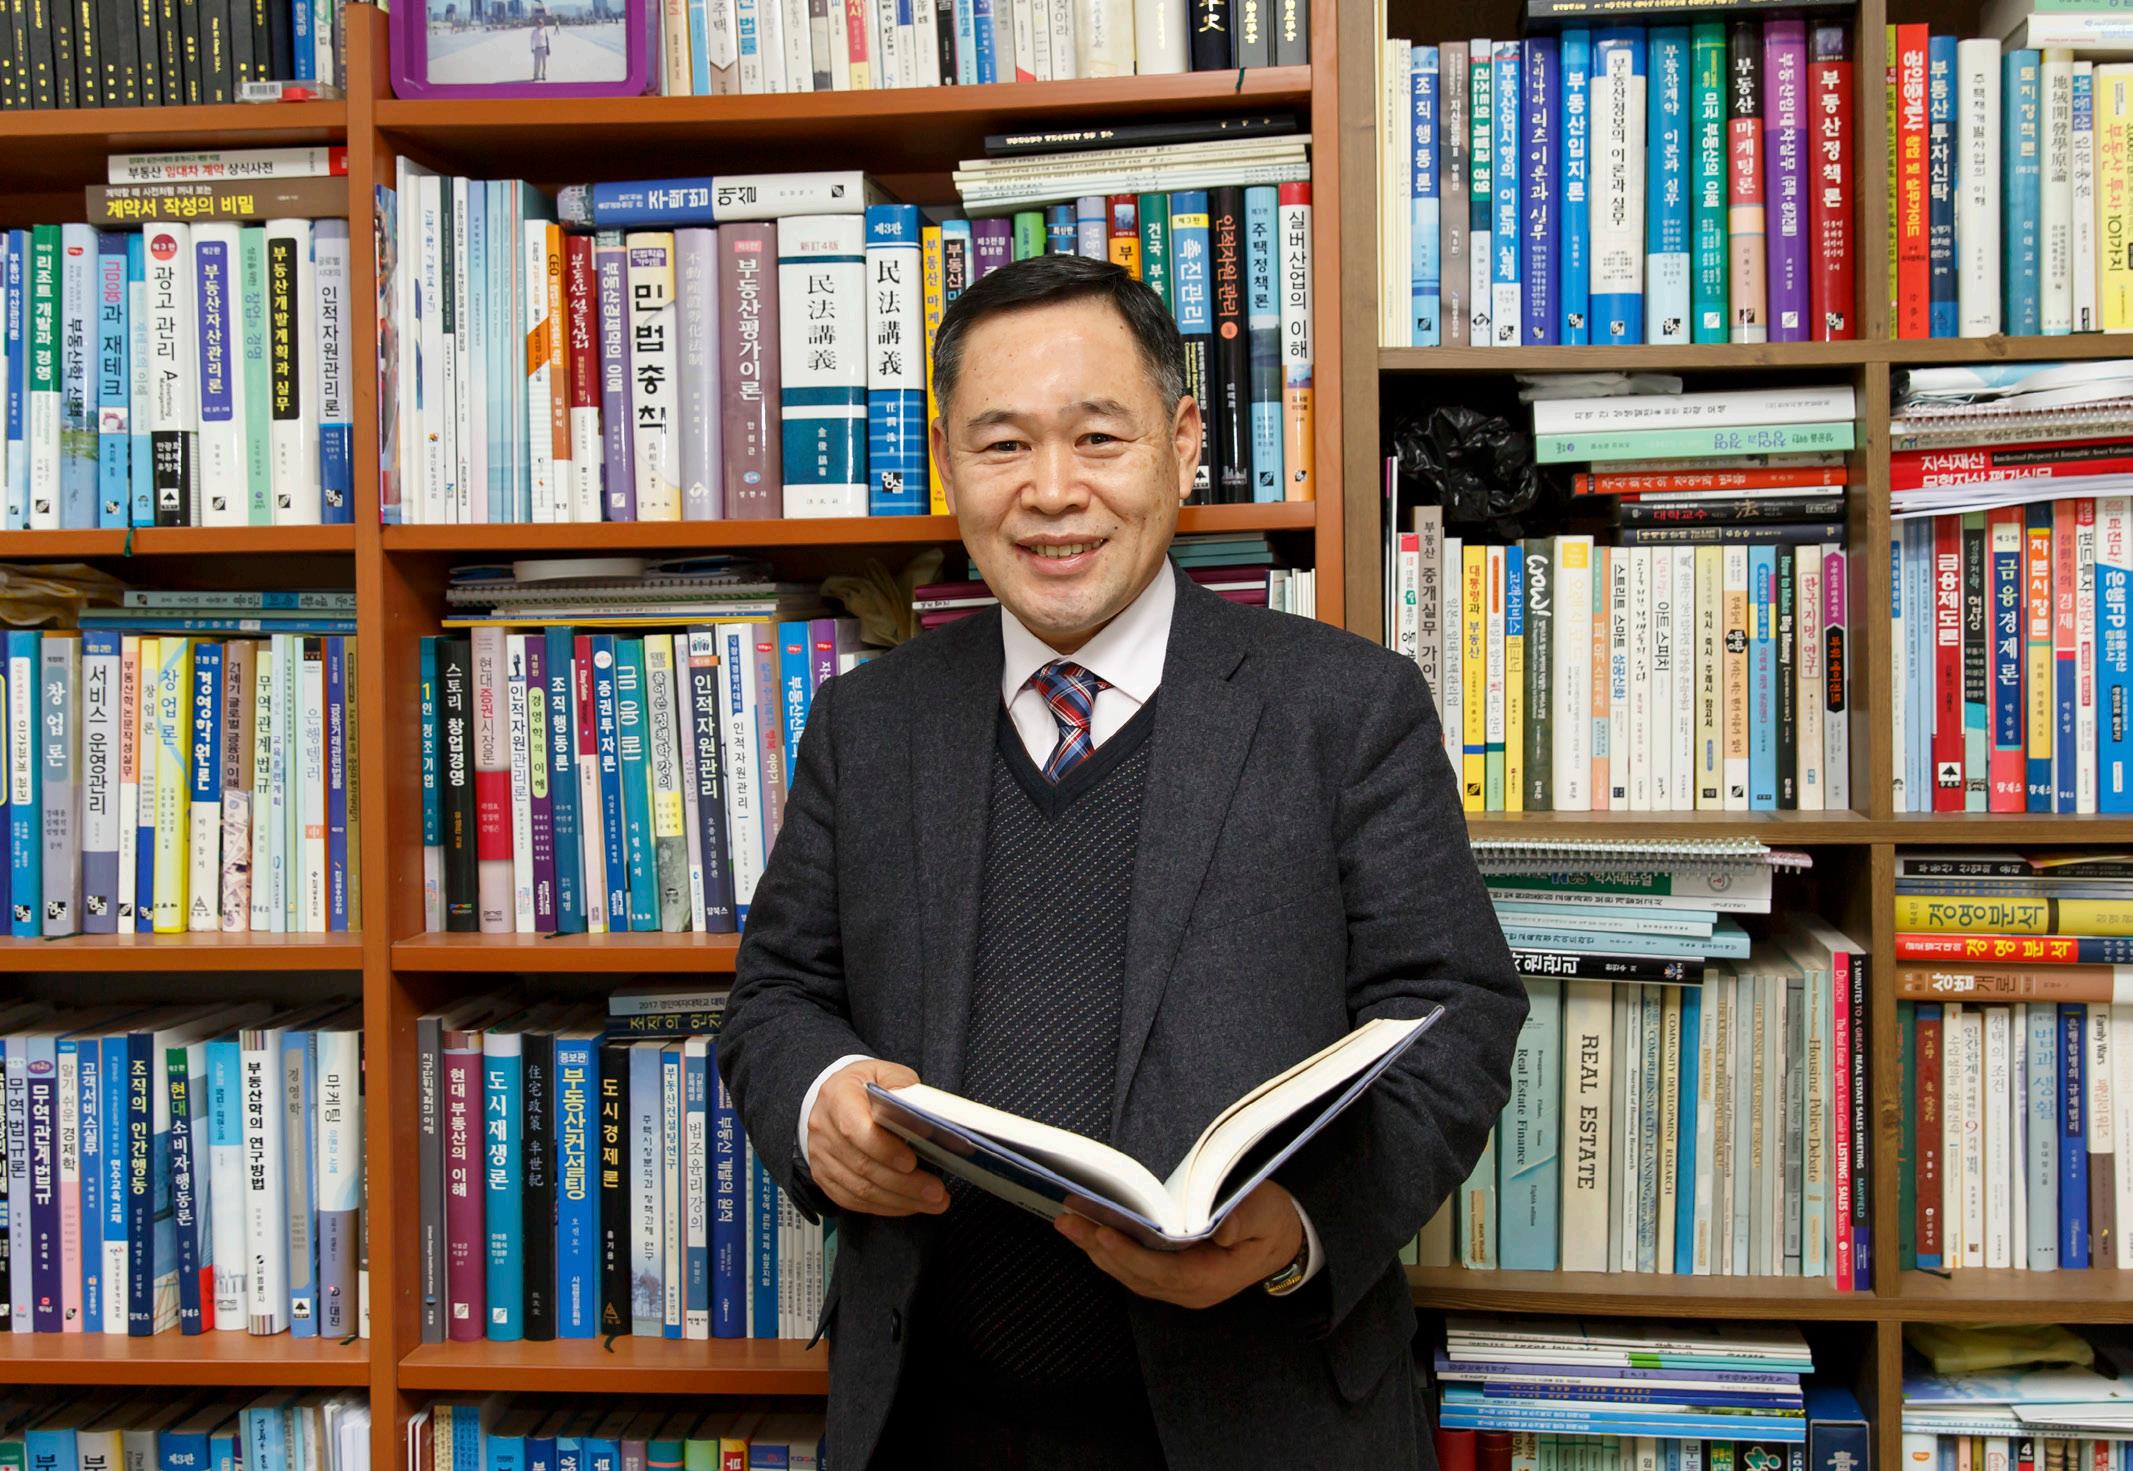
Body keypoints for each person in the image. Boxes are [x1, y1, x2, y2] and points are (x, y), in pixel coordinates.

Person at [717, 254, 1527, 1470]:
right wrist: (817, 1097)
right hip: (930, 1425)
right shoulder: (868, 724)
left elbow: (1456, 1016)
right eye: (1003, 446)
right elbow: (776, 994)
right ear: (947, 463)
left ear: (1184, 445)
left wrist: (1298, 1226)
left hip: (1259, 1414)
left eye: (1099, 437)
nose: (1053, 492)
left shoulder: (1346, 710)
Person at [529, 11, 549, 80]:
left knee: (544, 63)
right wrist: (532, 48)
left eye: (541, 23)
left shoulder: (544, 30)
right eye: (538, 23)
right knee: (536, 64)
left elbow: (547, 40)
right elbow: (532, 40)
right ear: (536, 24)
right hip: (537, 49)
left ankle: (543, 75)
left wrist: (548, 49)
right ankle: (535, 76)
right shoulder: (534, 31)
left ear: (542, 24)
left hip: (544, 48)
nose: (540, 24)